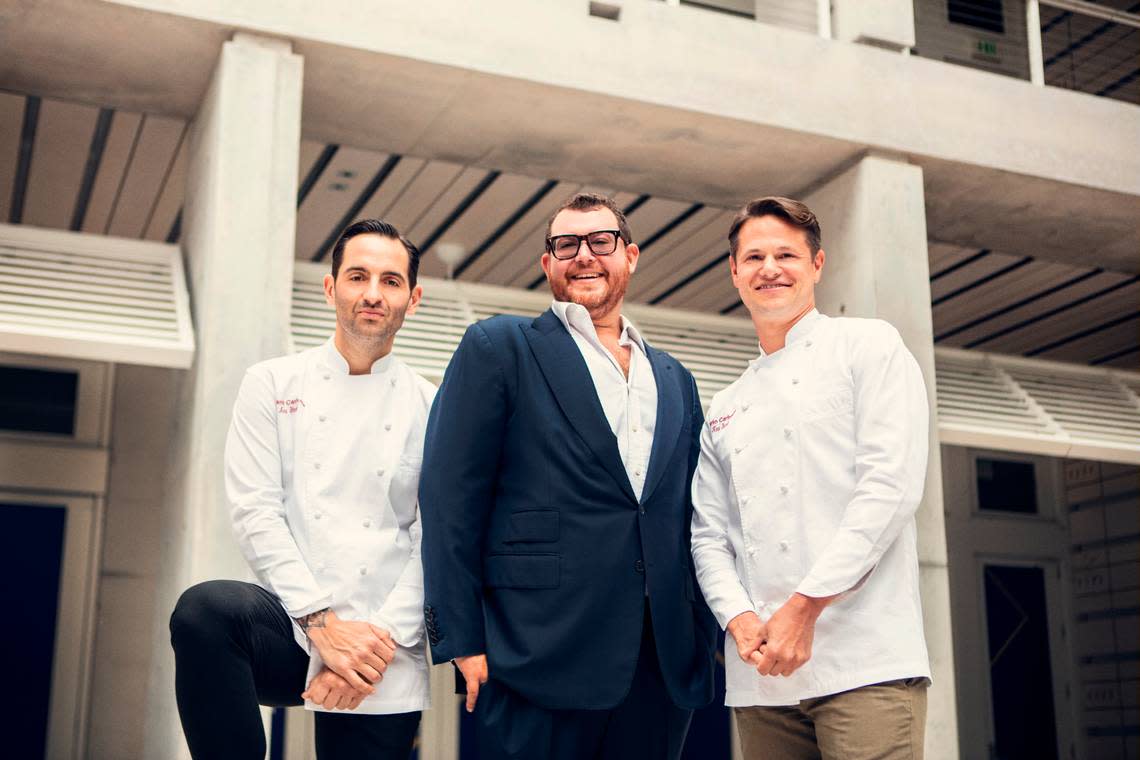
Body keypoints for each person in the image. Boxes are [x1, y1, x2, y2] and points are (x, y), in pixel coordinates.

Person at [419, 192, 716, 759]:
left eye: (600, 242)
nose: (584, 255)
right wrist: (463, 638)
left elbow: (693, 510)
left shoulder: (676, 377)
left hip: (663, 659)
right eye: (566, 245)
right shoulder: (499, 346)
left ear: (630, 256)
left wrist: (702, 633)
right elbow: (447, 498)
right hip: (538, 653)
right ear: (547, 264)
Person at [168, 219, 435, 759]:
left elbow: (437, 540)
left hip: (386, 643)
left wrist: (367, 651)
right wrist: (321, 626)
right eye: (358, 276)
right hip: (293, 627)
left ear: (413, 297)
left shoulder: (433, 405)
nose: (372, 294)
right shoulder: (272, 383)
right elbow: (256, 510)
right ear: (330, 287)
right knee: (205, 611)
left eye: (390, 281)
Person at [691, 197, 932, 760]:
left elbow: (889, 488)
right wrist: (739, 617)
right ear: (734, 271)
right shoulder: (725, 405)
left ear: (817, 266)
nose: (769, 268)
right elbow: (708, 535)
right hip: (762, 677)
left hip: (865, 661)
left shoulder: (868, 346)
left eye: (786, 254)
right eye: (753, 256)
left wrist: (803, 608)